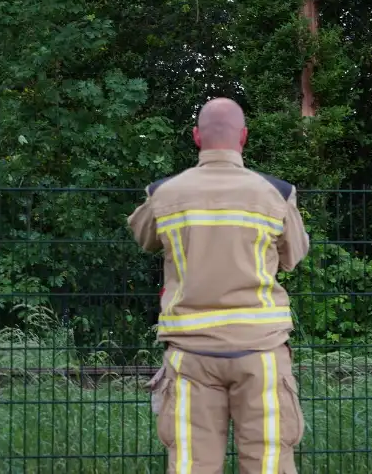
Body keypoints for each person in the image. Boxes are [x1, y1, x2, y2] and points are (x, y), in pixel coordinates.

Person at [128, 97, 310, 474]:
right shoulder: (275, 193)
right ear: (243, 137)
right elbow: (294, 256)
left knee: (191, 466)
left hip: (190, 354)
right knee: (269, 465)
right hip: (261, 352)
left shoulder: (164, 193)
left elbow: (144, 237)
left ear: (196, 137)